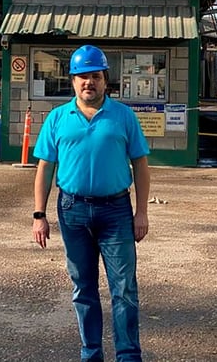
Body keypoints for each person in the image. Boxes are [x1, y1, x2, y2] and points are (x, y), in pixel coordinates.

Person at [32, 44, 151, 362]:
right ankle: (91, 353)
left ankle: (128, 355)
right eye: (82, 76)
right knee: (83, 287)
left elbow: (140, 163)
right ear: (72, 81)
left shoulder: (123, 116)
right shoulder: (58, 119)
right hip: (73, 211)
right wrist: (39, 214)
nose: (89, 82)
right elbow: (45, 168)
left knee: (124, 287)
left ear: (105, 80)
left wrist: (142, 212)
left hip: (116, 212)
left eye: (95, 76)